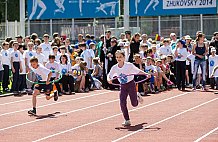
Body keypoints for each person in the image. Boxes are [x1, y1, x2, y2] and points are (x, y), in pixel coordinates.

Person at [107, 50, 150, 126]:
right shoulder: (115, 67)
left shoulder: (129, 65)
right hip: (123, 86)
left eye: (120, 57)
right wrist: (109, 80)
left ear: (124, 57)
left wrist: (146, 74)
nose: (118, 58)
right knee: (122, 102)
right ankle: (127, 119)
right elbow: (109, 75)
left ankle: (137, 96)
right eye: (117, 57)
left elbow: (137, 71)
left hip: (131, 84)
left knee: (134, 104)